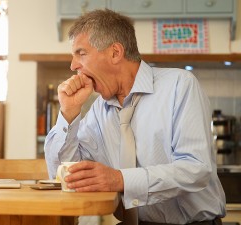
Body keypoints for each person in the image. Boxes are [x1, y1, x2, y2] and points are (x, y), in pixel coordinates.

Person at [44, 9, 226, 224]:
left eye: (81, 53)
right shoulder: (99, 109)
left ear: (115, 53)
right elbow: (63, 173)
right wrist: (68, 112)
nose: (73, 65)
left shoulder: (180, 85)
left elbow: (196, 170)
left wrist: (120, 179)